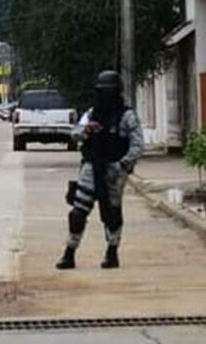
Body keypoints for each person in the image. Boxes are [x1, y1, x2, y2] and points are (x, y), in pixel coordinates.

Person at [56, 70, 143, 270]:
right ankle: (69, 253)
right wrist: (86, 130)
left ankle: (112, 252)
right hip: (91, 166)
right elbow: (74, 134)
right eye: (101, 92)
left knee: (112, 213)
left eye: (107, 92)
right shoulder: (91, 113)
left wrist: (123, 165)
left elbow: (137, 145)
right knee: (78, 212)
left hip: (114, 169)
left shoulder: (126, 116)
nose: (104, 96)